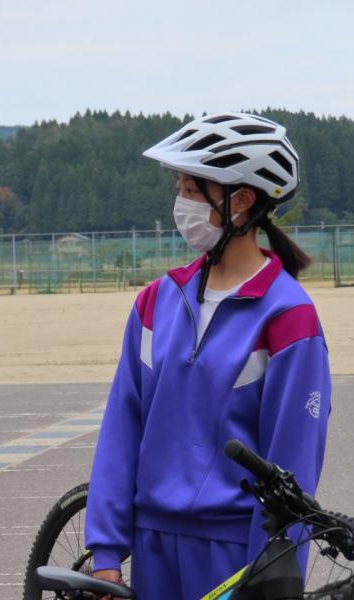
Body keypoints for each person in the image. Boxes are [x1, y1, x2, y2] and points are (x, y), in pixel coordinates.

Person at [84, 113, 331, 599]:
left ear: (241, 201)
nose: (182, 204)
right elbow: (122, 426)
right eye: (180, 188)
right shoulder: (156, 301)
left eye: (193, 190)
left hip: (235, 555)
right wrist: (106, 554)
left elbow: (293, 463)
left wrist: (270, 575)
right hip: (153, 546)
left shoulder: (288, 316)